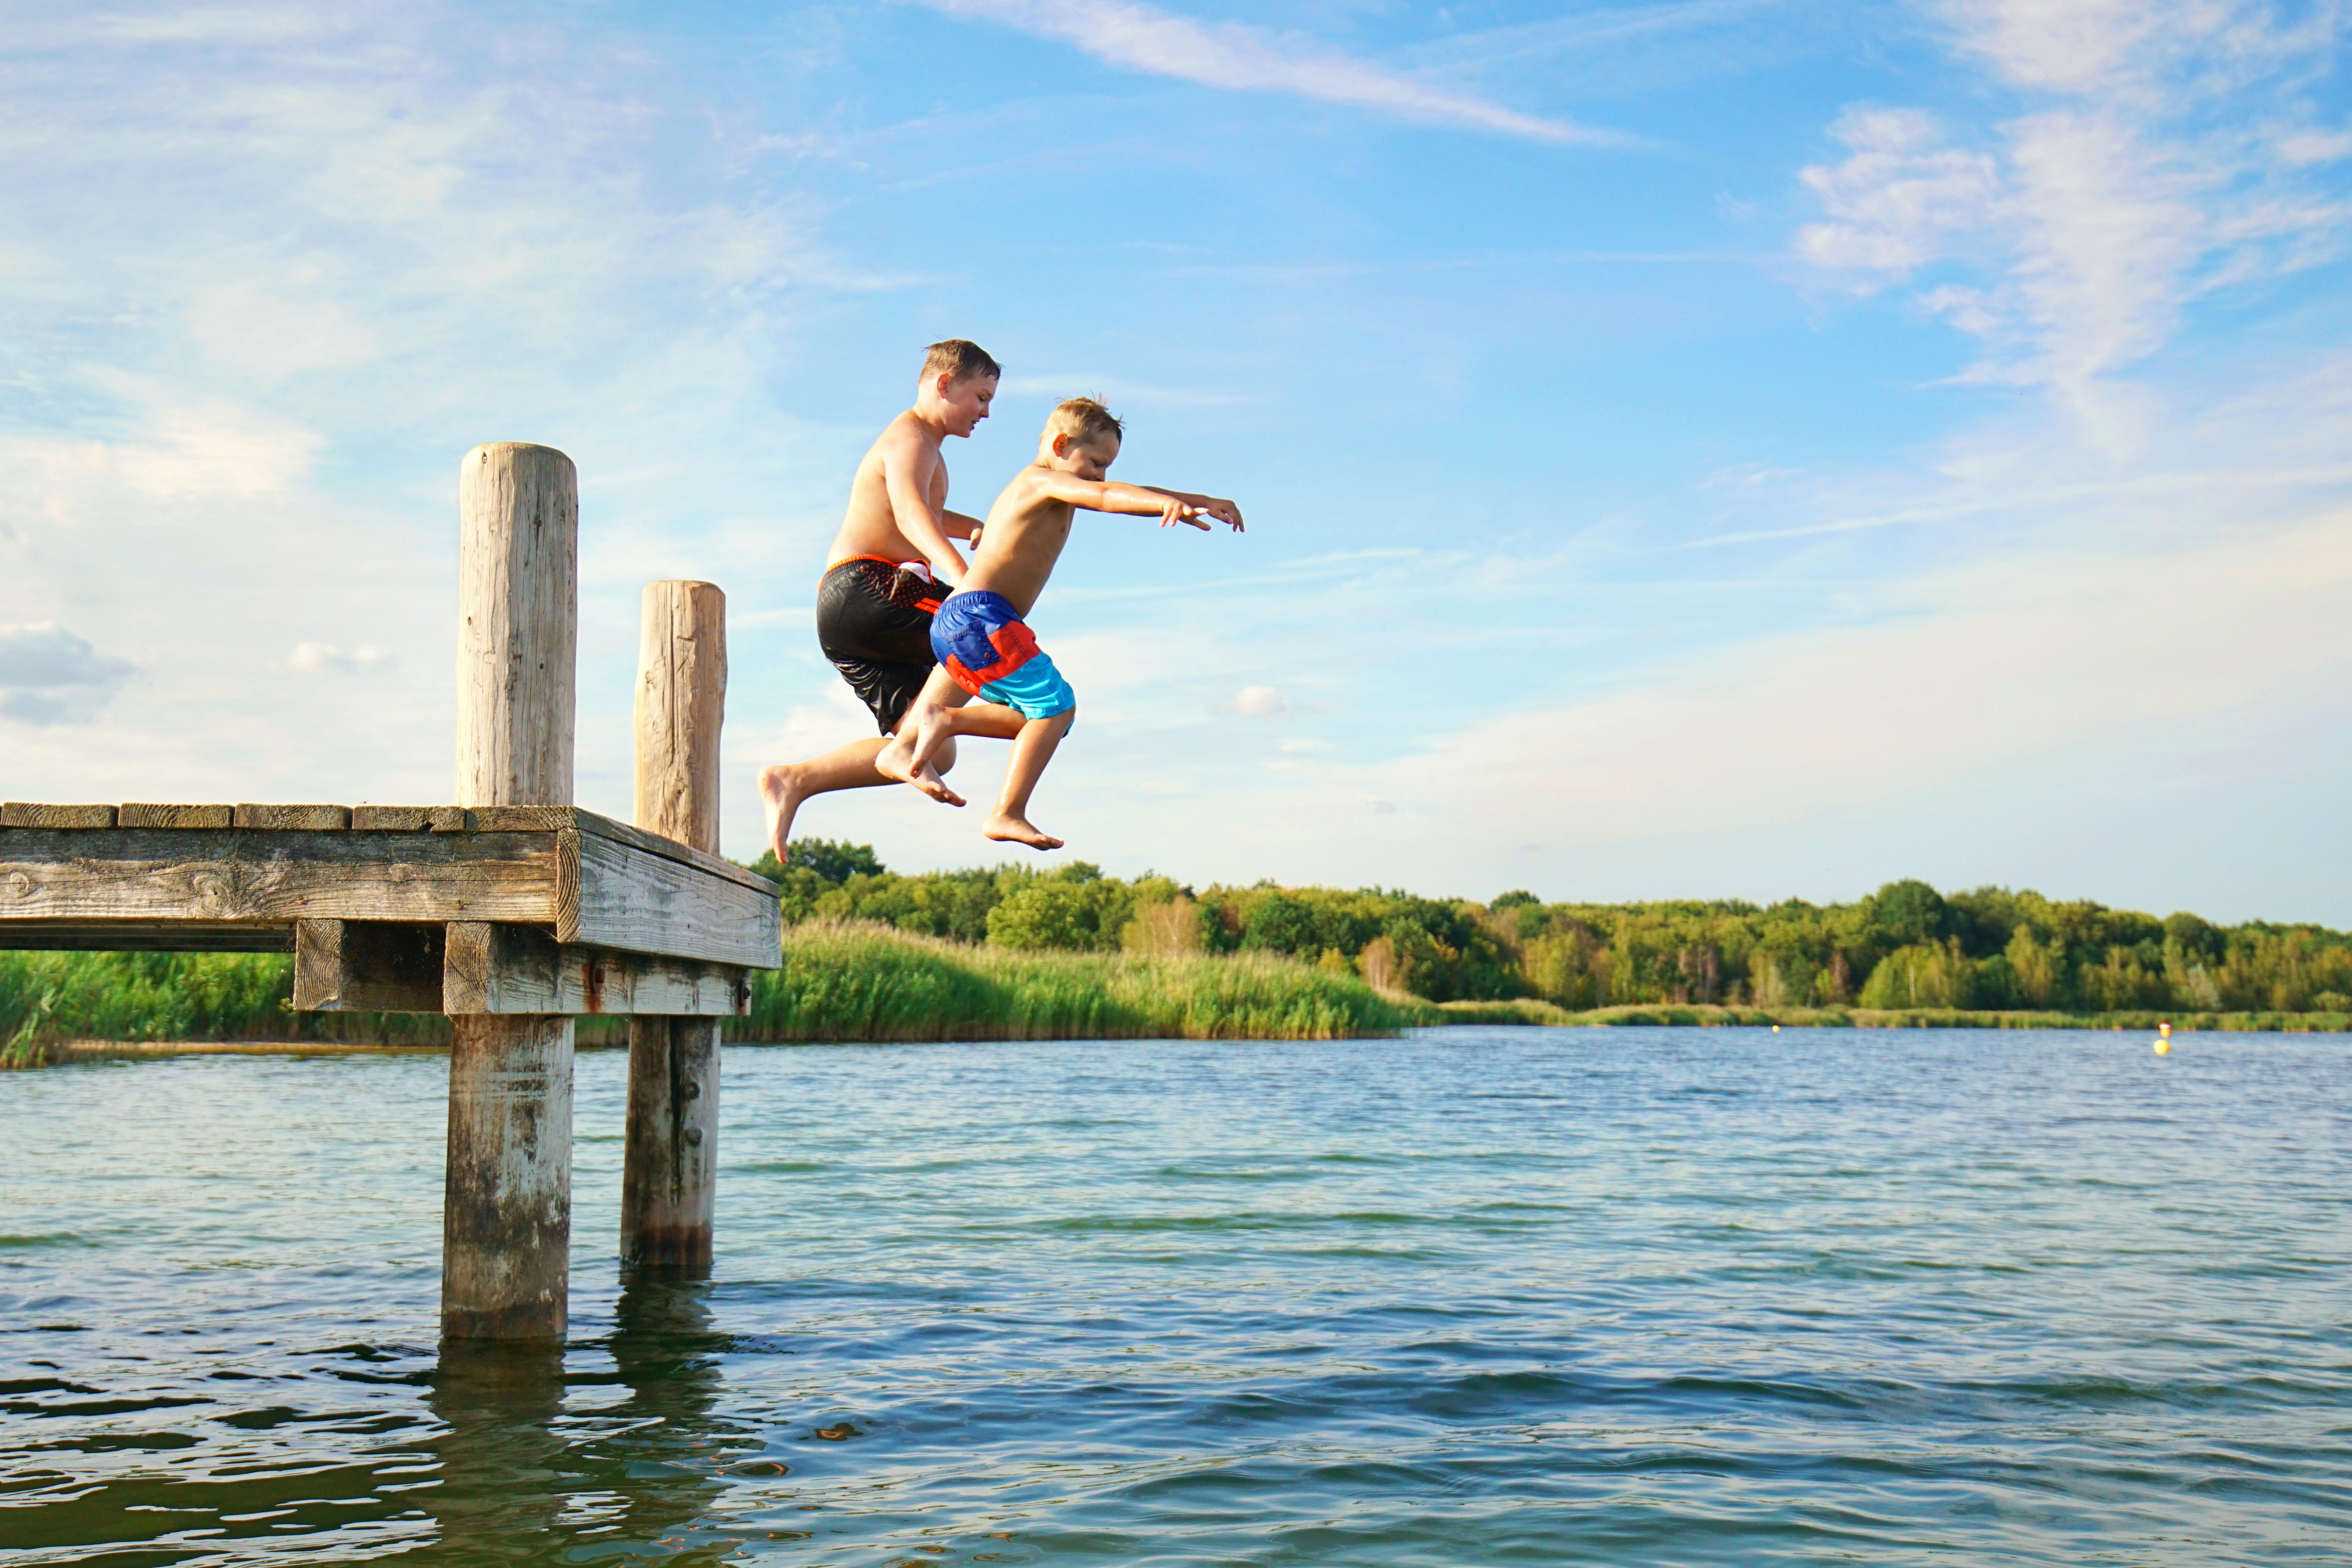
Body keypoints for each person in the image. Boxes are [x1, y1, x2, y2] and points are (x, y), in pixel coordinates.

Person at [876, 397, 1243, 850]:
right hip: (981, 616)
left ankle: (908, 742)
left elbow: (1119, 487)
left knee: (1038, 716)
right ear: (1059, 443)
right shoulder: (1039, 482)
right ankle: (1003, 807)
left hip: (966, 619)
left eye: (1106, 466)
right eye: (1094, 462)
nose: (1100, 476)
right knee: (1058, 707)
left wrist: (1198, 500)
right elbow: (1108, 498)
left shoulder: (1050, 487)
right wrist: (1163, 505)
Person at [757, 339, 1028, 861]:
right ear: (944, 384)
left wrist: (978, 528)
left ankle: (795, 780)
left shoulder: (922, 447)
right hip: (871, 587)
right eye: (981, 397)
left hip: (850, 618)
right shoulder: (912, 436)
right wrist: (962, 577)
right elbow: (908, 515)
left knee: (935, 749)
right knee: (985, 632)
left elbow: (915, 510)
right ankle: (1038, 725)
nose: (987, 412)